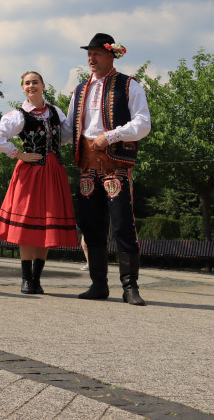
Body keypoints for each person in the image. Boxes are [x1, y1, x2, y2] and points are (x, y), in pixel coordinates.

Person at [64, 33, 151, 305]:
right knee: (91, 226)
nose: (91, 58)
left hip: (115, 165)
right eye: (89, 53)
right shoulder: (79, 90)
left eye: (96, 53)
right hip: (87, 165)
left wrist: (111, 136)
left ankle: (130, 287)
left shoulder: (128, 85)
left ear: (111, 54)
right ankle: (98, 285)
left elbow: (143, 124)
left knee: (124, 225)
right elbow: (68, 129)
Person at [0, 71, 78, 294]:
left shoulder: (55, 111)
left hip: (53, 172)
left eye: (35, 82)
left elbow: (66, 136)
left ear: (43, 85)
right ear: (23, 88)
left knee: (45, 224)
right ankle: (26, 278)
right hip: (30, 173)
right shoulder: (18, 115)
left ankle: (37, 279)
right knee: (28, 224)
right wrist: (19, 154)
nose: (31, 86)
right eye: (27, 83)